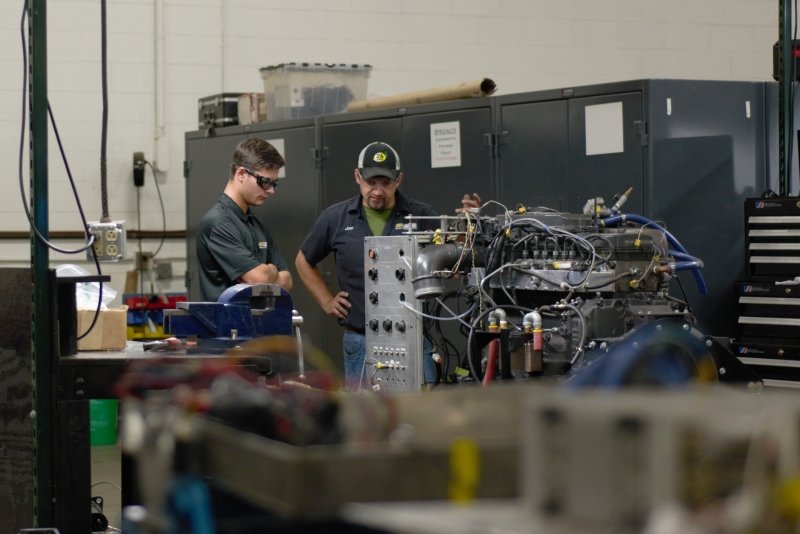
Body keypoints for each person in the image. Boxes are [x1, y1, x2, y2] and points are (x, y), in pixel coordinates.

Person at [295, 141, 440, 389]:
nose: (378, 191)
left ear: (399, 180)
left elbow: (453, 262)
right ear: (357, 176)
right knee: (364, 416)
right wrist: (327, 301)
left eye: (386, 183)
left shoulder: (422, 216)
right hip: (360, 338)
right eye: (371, 182)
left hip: (414, 338)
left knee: (422, 411)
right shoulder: (335, 218)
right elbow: (303, 260)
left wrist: (465, 233)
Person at [196, 138, 292, 302]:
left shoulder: (254, 223)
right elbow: (259, 279)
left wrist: (266, 273)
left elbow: (288, 281)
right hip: (227, 325)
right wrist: (271, 272)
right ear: (241, 174)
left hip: (258, 325)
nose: (271, 191)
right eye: (265, 182)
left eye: (274, 183)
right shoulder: (218, 223)